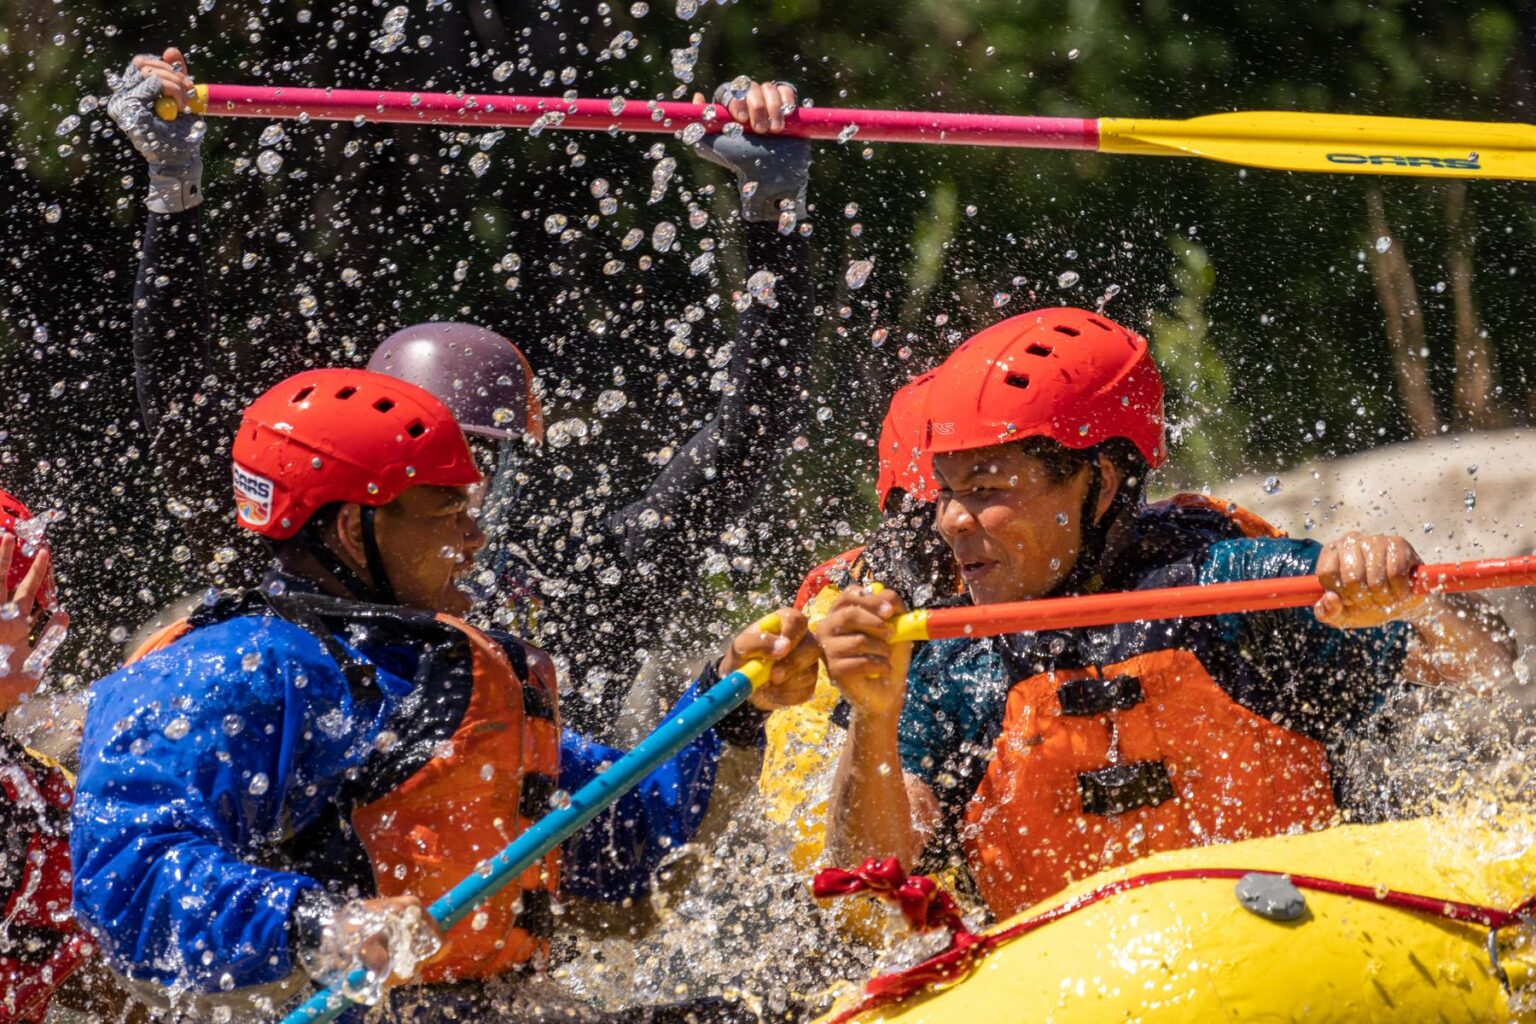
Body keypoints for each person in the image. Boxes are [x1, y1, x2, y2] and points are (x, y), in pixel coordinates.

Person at [70, 368, 819, 1022]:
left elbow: (632, 847)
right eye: (446, 513)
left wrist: (731, 703)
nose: (475, 536)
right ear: (352, 530)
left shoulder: (443, 669)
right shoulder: (228, 671)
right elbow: (128, 874)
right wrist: (317, 925)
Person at [109, 51, 815, 738]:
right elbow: (180, 408)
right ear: (358, 508)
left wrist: (773, 210)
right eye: (432, 470)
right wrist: (172, 186)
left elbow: (751, 432)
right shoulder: (292, 573)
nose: (466, 498)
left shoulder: (584, 589)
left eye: (478, 461)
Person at [819, 307, 1517, 919]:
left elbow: (1489, 663)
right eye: (946, 492)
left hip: (1297, 941)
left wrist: (1401, 591)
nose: (951, 524)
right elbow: (867, 886)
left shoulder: (1236, 588)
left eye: (987, 488)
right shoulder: (949, 661)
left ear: (1101, 484)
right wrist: (873, 717)